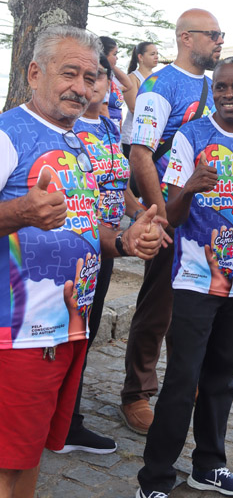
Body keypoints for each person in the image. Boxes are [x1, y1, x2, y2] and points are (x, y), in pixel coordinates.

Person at [0, 25, 165, 498]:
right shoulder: (10, 133)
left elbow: (89, 229)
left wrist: (127, 241)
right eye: (68, 73)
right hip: (17, 332)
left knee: (27, 455)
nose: (81, 87)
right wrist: (18, 212)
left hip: (65, 326)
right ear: (35, 73)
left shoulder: (78, 144)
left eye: (90, 76)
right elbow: (22, 214)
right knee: (8, 461)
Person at [137, 57, 233, 498]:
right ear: (215, 91)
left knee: (222, 378)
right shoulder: (190, 138)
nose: (230, 94)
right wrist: (189, 186)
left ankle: (209, 466)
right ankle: (155, 478)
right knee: (182, 380)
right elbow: (170, 217)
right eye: (223, 87)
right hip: (194, 280)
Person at [120, 9, 224, 435]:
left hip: (205, 214)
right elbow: (141, 153)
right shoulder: (161, 85)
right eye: (213, 34)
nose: (219, 41)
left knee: (196, 302)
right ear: (186, 37)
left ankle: (185, 380)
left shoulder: (212, 85)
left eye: (221, 34)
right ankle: (136, 392)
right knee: (158, 303)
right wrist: (160, 213)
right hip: (170, 212)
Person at [52, 53, 141, 455]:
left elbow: (118, 184)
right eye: (88, 77)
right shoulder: (64, 130)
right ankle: (51, 421)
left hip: (103, 252)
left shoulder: (107, 127)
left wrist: (141, 213)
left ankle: (68, 421)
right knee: (58, 333)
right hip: (68, 248)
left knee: (82, 334)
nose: (94, 85)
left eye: (100, 77)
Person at [122, 42, 159, 159]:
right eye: (152, 54)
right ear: (140, 57)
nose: (156, 57)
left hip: (152, 136)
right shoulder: (132, 78)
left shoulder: (158, 77)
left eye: (157, 54)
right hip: (133, 136)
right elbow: (133, 107)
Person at [99, 36, 135, 132]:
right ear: (104, 54)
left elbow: (128, 85)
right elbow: (102, 109)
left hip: (115, 127)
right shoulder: (99, 78)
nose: (117, 58)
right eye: (114, 54)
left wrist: (111, 66)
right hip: (106, 128)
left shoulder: (112, 78)